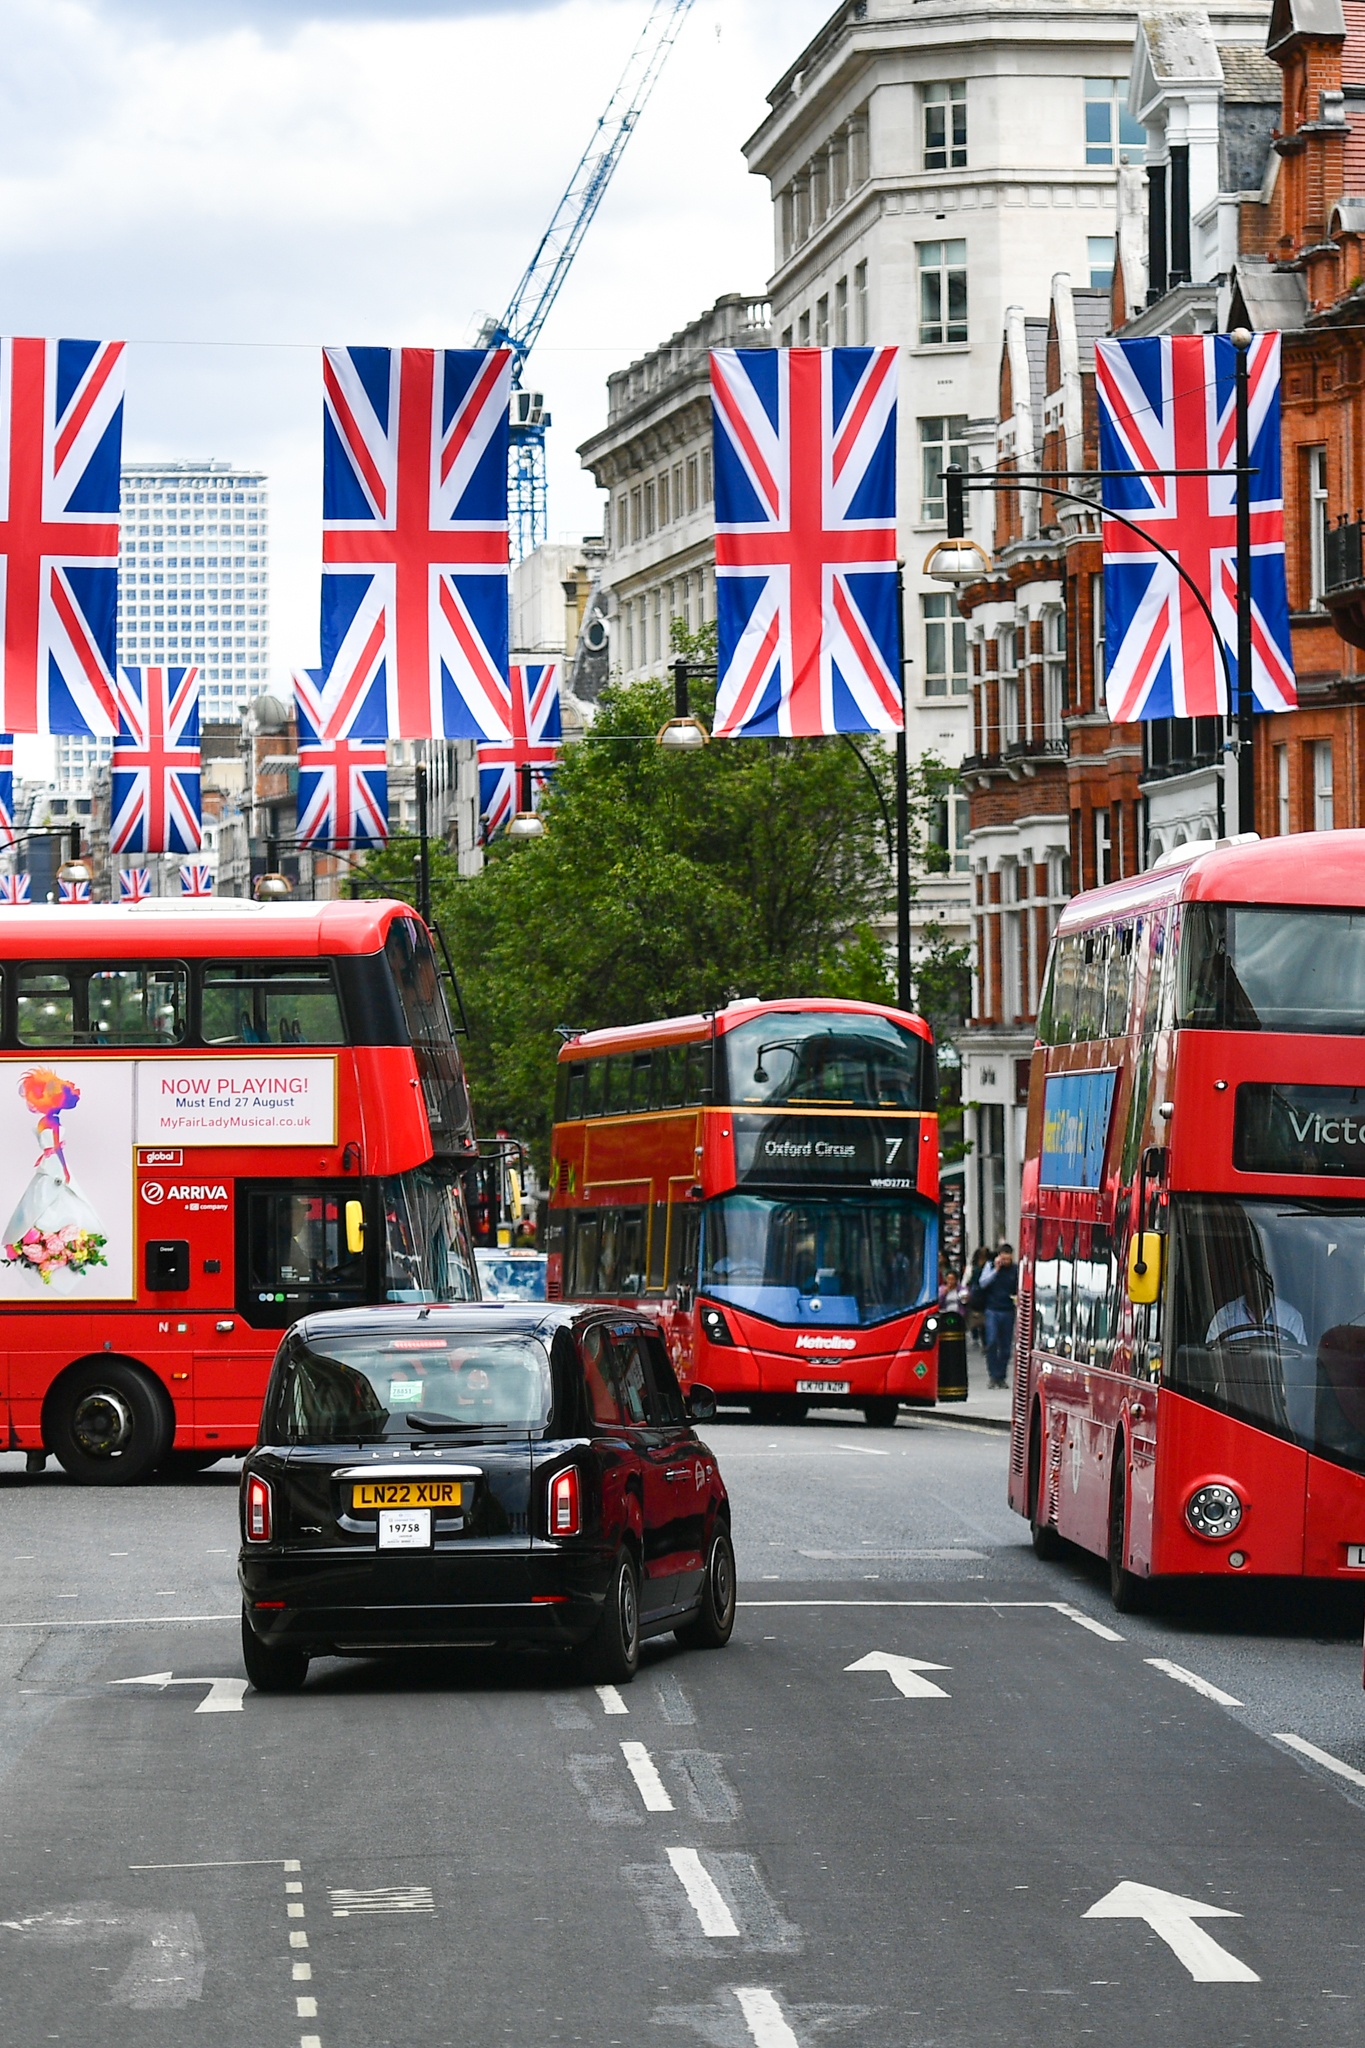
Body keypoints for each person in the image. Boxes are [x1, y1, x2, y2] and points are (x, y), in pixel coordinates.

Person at [1206, 1261, 1307, 1349]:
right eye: (1251, 1279)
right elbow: (1211, 1356)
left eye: (1260, 1278)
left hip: (1281, 1371)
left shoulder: (1291, 1317)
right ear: (1243, 1282)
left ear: (1269, 1281)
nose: (1255, 1283)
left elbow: (1299, 1361)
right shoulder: (1225, 1316)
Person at [979, 1243, 1019, 1390]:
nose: (1006, 1262)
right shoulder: (990, 1266)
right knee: (992, 1342)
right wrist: (996, 1269)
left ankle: (1001, 1376)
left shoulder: (1015, 1270)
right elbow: (983, 1283)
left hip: (1008, 1309)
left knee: (1006, 1347)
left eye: (1008, 1259)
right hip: (992, 1309)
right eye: (1004, 1258)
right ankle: (993, 1375)